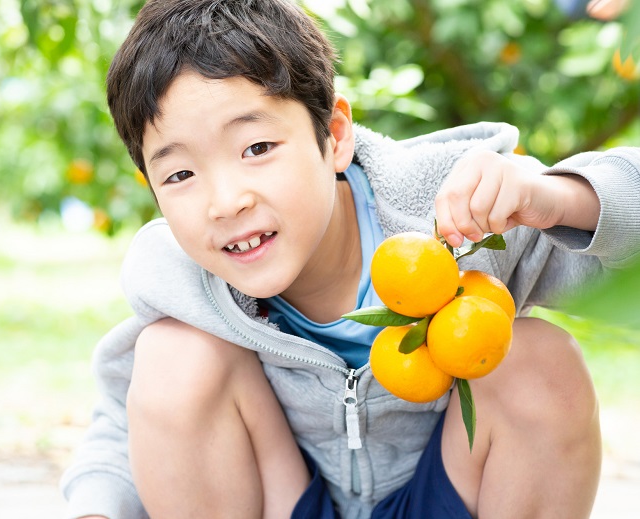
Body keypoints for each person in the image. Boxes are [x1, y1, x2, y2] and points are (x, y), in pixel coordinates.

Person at [60, 1, 640, 518]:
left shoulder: (459, 219)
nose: (225, 202)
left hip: (451, 494)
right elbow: (126, 419)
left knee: (537, 359)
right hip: (286, 498)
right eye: (180, 173)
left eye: (257, 147)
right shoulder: (181, 276)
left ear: (335, 135)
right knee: (172, 356)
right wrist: (98, 510)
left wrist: (562, 197)